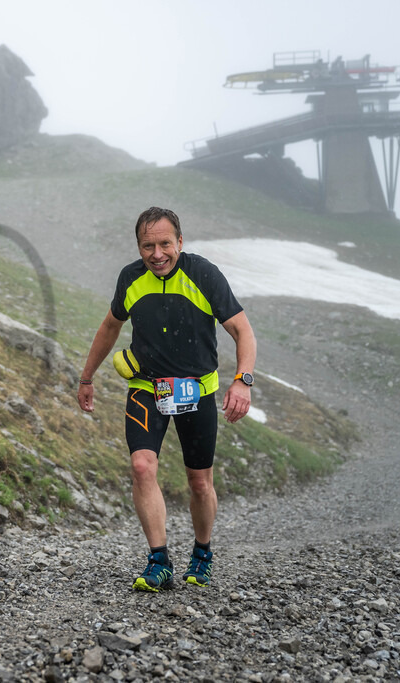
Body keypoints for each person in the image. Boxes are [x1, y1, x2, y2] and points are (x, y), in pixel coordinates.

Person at [76, 206, 256, 592]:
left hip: (199, 391)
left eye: (164, 244)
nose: (157, 254)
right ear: (138, 247)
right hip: (146, 388)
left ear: (180, 242)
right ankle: (159, 561)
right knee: (142, 467)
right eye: (147, 246)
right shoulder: (131, 278)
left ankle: (202, 553)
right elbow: (110, 325)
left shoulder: (202, 274)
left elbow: (243, 331)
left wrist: (242, 381)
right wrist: (86, 376)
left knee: (199, 483)